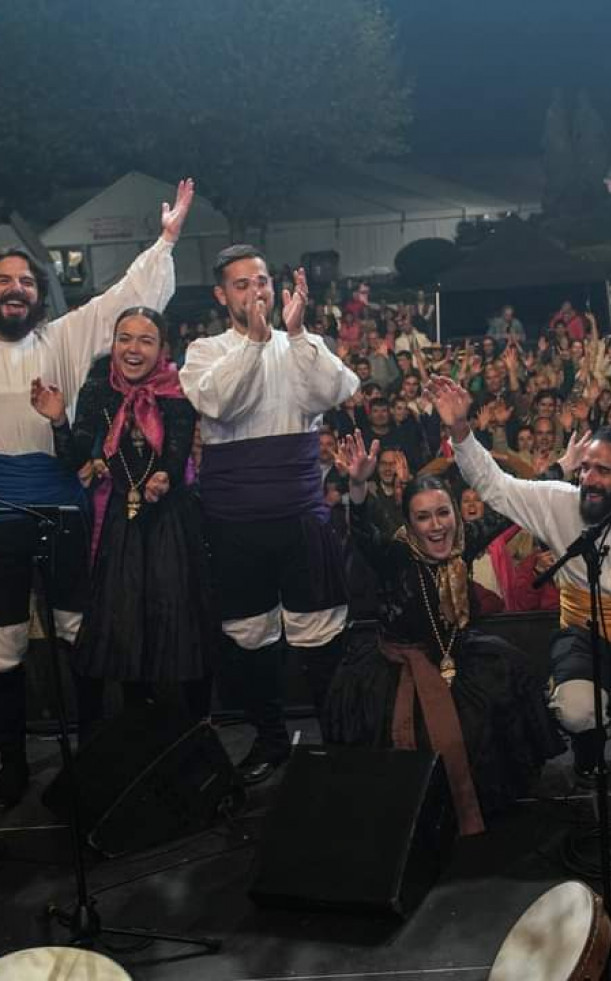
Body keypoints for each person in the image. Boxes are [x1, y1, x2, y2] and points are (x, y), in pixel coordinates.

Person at [0, 178, 194, 809]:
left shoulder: (63, 338)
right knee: (2, 644)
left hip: (61, 506)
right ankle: (11, 767)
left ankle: (92, 758)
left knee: (77, 632)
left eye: (27, 282)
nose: (15, 290)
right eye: (5, 281)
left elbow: (128, 299)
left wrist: (164, 239)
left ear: (40, 294)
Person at [429, 376, 611, 776]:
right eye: (586, 468)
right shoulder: (561, 500)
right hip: (581, 630)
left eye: (602, 471)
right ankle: (588, 760)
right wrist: (460, 430)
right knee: (577, 710)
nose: (588, 479)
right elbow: (495, 486)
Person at [179, 245, 359, 783]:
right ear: (221, 295)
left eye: (261, 281)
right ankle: (272, 740)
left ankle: (339, 745)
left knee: (321, 634)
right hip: (235, 523)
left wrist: (299, 334)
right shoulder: (204, 351)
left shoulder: (298, 343)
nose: (254, 291)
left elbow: (337, 390)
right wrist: (256, 343)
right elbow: (219, 405)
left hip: (300, 516)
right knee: (249, 636)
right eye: (241, 284)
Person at [326, 432, 562, 833]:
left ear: (456, 513)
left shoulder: (461, 543)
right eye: (423, 517)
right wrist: (359, 485)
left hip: (461, 659)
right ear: (409, 523)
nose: (436, 526)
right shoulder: (395, 555)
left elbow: (511, 508)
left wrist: (559, 470)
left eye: (443, 513)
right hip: (397, 672)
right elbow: (365, 532)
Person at [30, 308, 212, 740]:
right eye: (124, 338)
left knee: (178, 622)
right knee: (128, 625)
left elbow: (176, 452)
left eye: (145, 340)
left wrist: (164, 478)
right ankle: (139, 732)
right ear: (113, 344)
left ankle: (193, 734)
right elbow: (75, 456)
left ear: (162, 348)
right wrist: (59, 420)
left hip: (170, 520)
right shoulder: (99, 389)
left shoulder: (176, 390)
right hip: (119, 521)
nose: (133, 349)